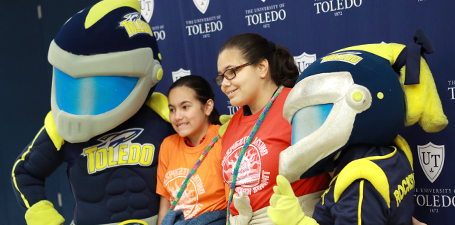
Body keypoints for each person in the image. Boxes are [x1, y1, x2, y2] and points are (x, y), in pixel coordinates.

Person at [216, 33, 331, 224]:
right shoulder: (230, 126)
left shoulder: (299, 106)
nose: (224, 84)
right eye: (221, 77)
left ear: (261, 68)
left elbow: (338, 177)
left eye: (231, 72)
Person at [156, 75, 227, 225]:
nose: (177, 116)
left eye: (185, 107)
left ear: (207, 107)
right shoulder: (168, 145)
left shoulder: (224, 139)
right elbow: (166, 204)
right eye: (172, 109)